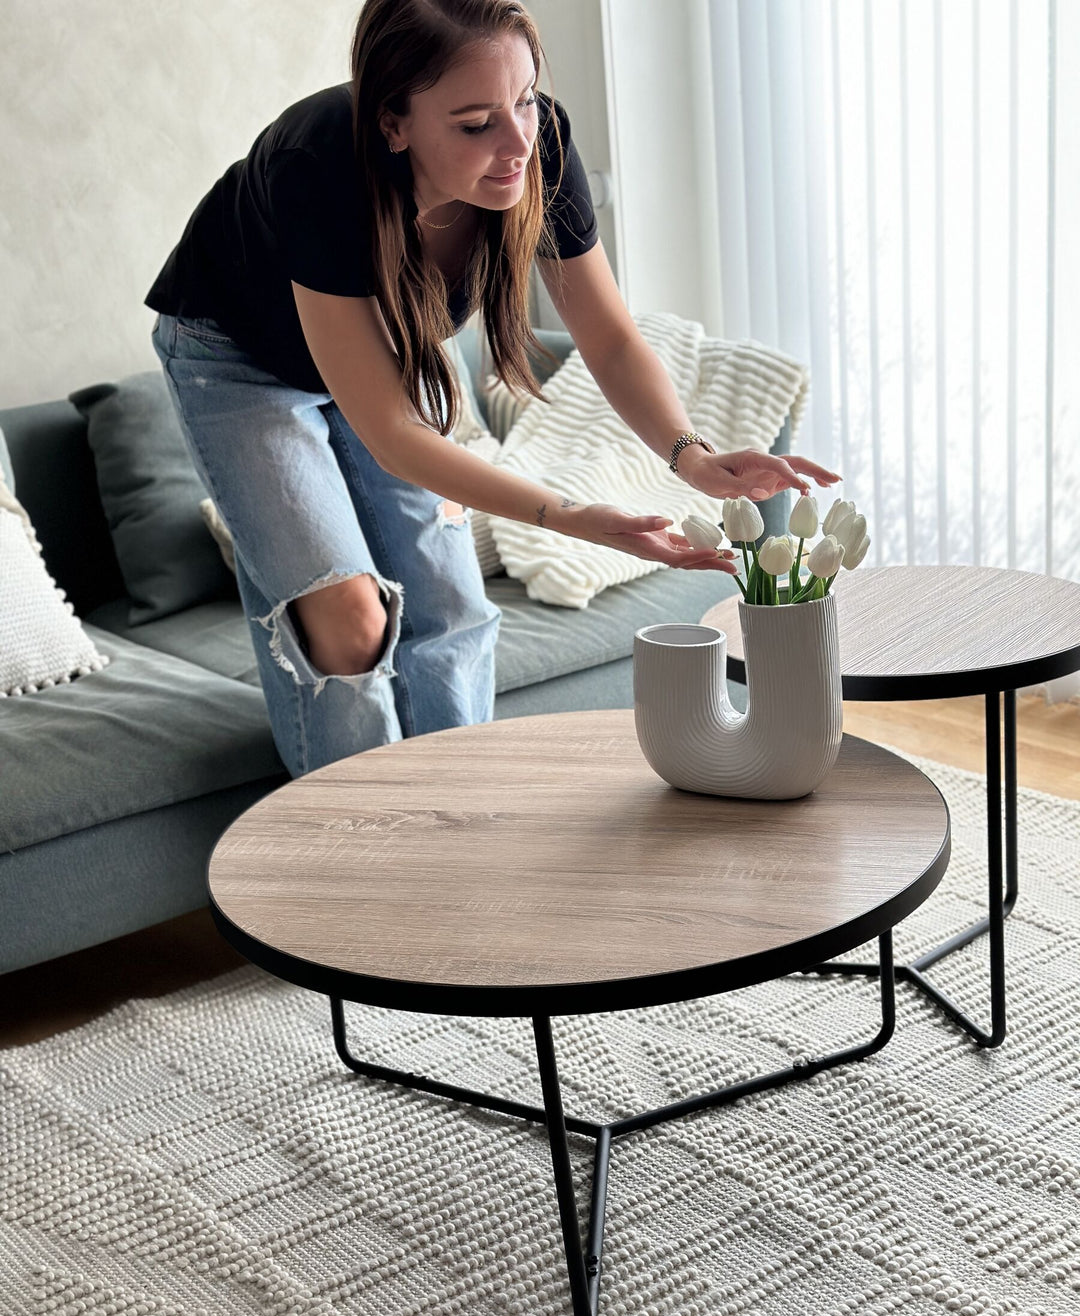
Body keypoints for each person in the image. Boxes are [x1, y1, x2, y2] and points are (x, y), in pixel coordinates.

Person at [146, 0, 839, 779]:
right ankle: (361, 864)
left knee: (451, 607)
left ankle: (464, 826)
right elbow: (392, 434)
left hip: (384, 354)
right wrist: (571, 515)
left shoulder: (537, 143)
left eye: (525, 101)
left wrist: (692, 457)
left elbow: (606, 336)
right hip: (236, 362)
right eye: (476, 124)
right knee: (349, 624)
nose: (518, 144)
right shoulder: (322, 168)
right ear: (394, 124)